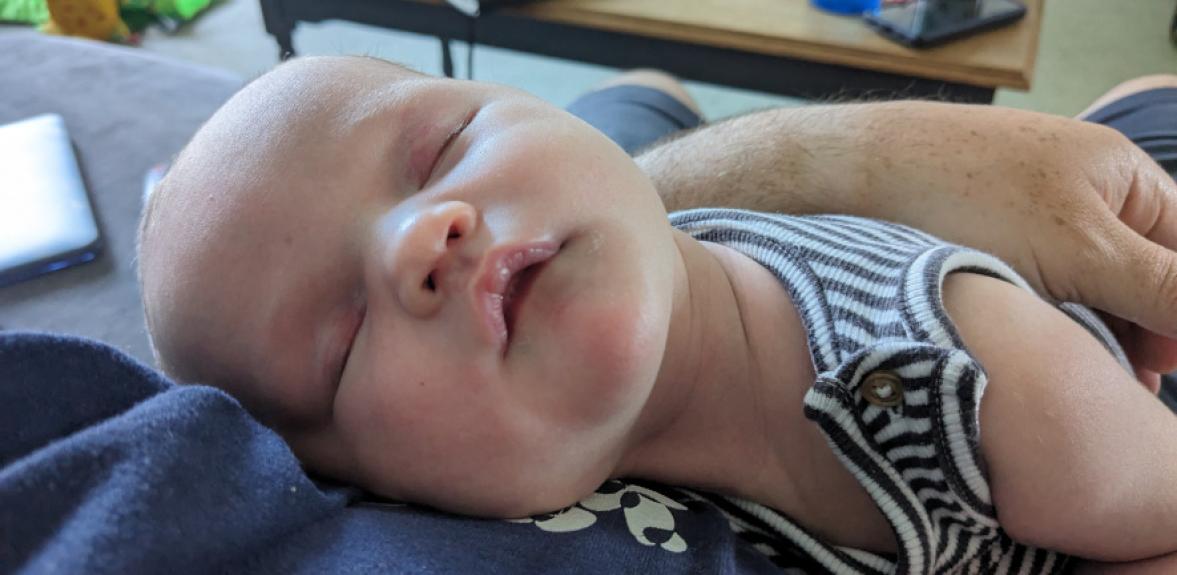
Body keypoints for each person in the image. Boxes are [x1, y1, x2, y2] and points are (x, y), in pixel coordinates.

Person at [136, 57, 1177, 573]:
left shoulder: (962, 383)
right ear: (351, 479)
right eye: (344, 334)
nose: (422, 237)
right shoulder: (482, 496)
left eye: (439, 149)